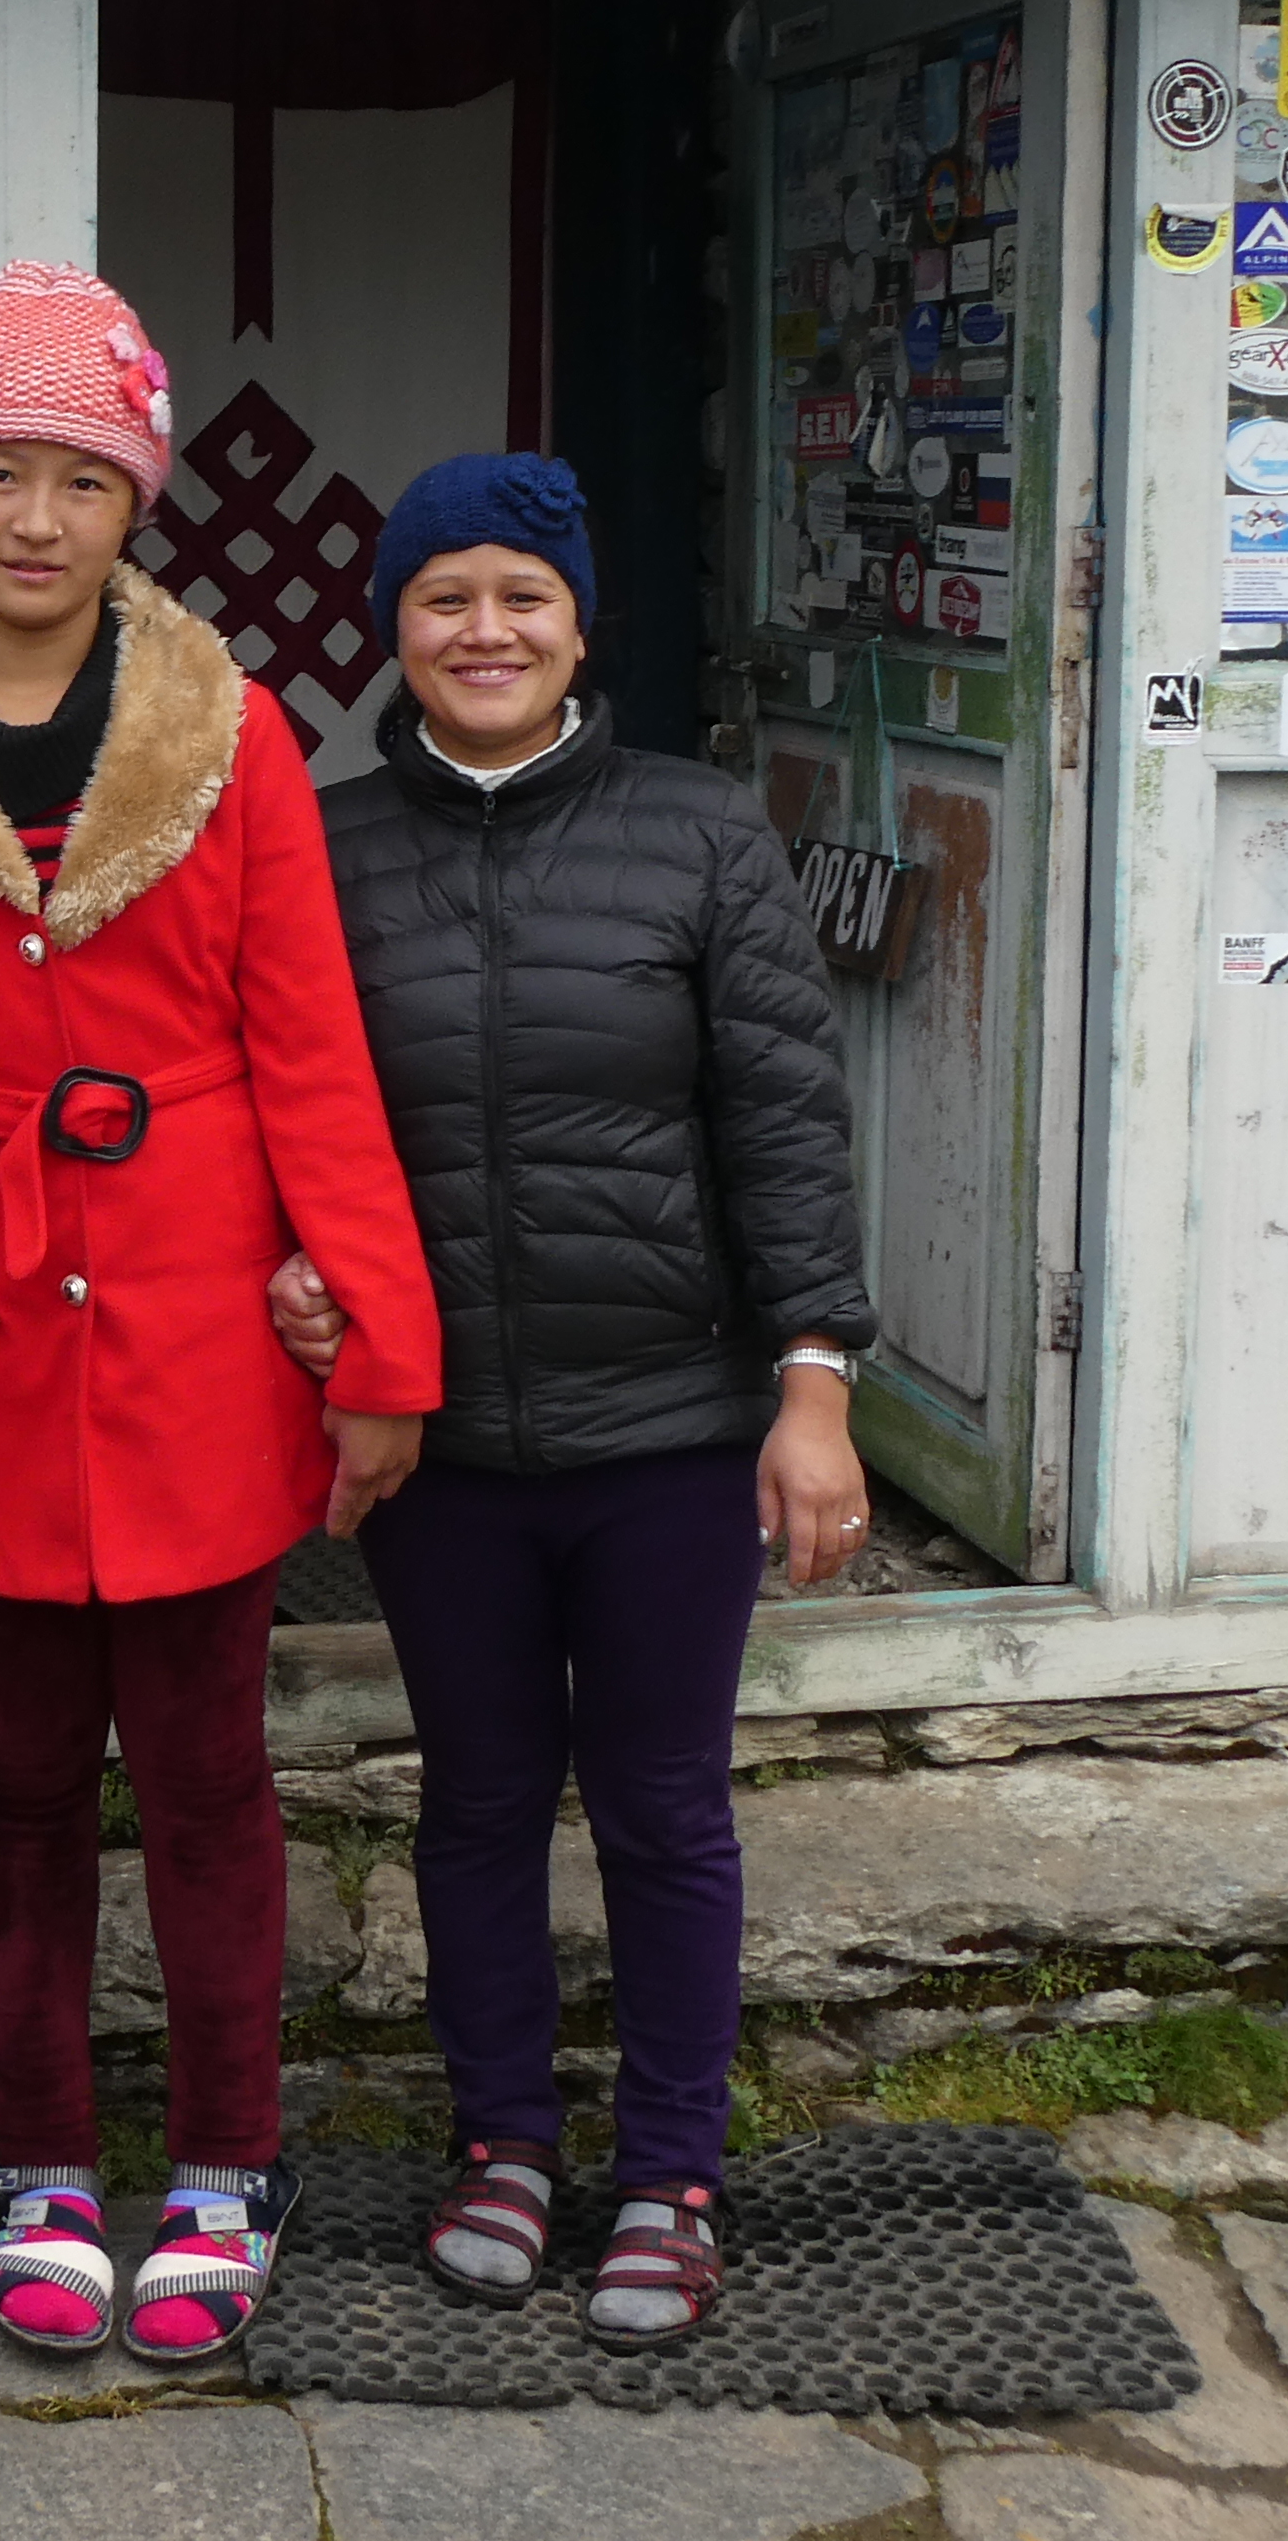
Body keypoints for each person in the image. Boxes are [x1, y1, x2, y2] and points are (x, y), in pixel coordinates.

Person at [0, 260, 444, 2368]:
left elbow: (312, 1051)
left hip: (193, 1325)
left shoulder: (232, 737)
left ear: (137, 499)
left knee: (213, 1775)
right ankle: (43, 2163)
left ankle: (228, 2159)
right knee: (26, 1776)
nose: (36, 520)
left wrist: (383, 1345)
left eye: (80, 479)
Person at [283, 452, 878, 2347]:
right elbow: (271, 1111)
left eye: (521, 597)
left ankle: (675, 2172)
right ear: (394, 627)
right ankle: (505, 2146)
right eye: (445, 597)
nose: (486, 631)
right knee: (474, 1801)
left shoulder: (699, 832)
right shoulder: (322, 846)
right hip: (437, 1441)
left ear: (578, 623)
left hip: (670, 1430)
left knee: (662, 1805)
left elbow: (785, 1120)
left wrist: (813, 1387)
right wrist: (283, 1273)